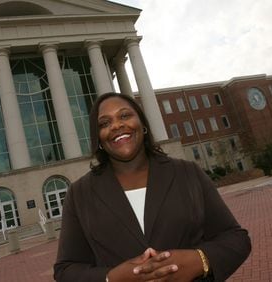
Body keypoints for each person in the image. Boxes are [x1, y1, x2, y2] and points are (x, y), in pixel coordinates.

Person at [54, 92, 251, 281]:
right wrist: (111, 278)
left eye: (125, 115)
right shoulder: (80, 193)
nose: (116, 125)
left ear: (143, 124)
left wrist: (199, 261)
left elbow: (236, 238)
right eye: (104, 123)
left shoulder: (188, 173)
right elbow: (66, 269)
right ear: (98, 138)